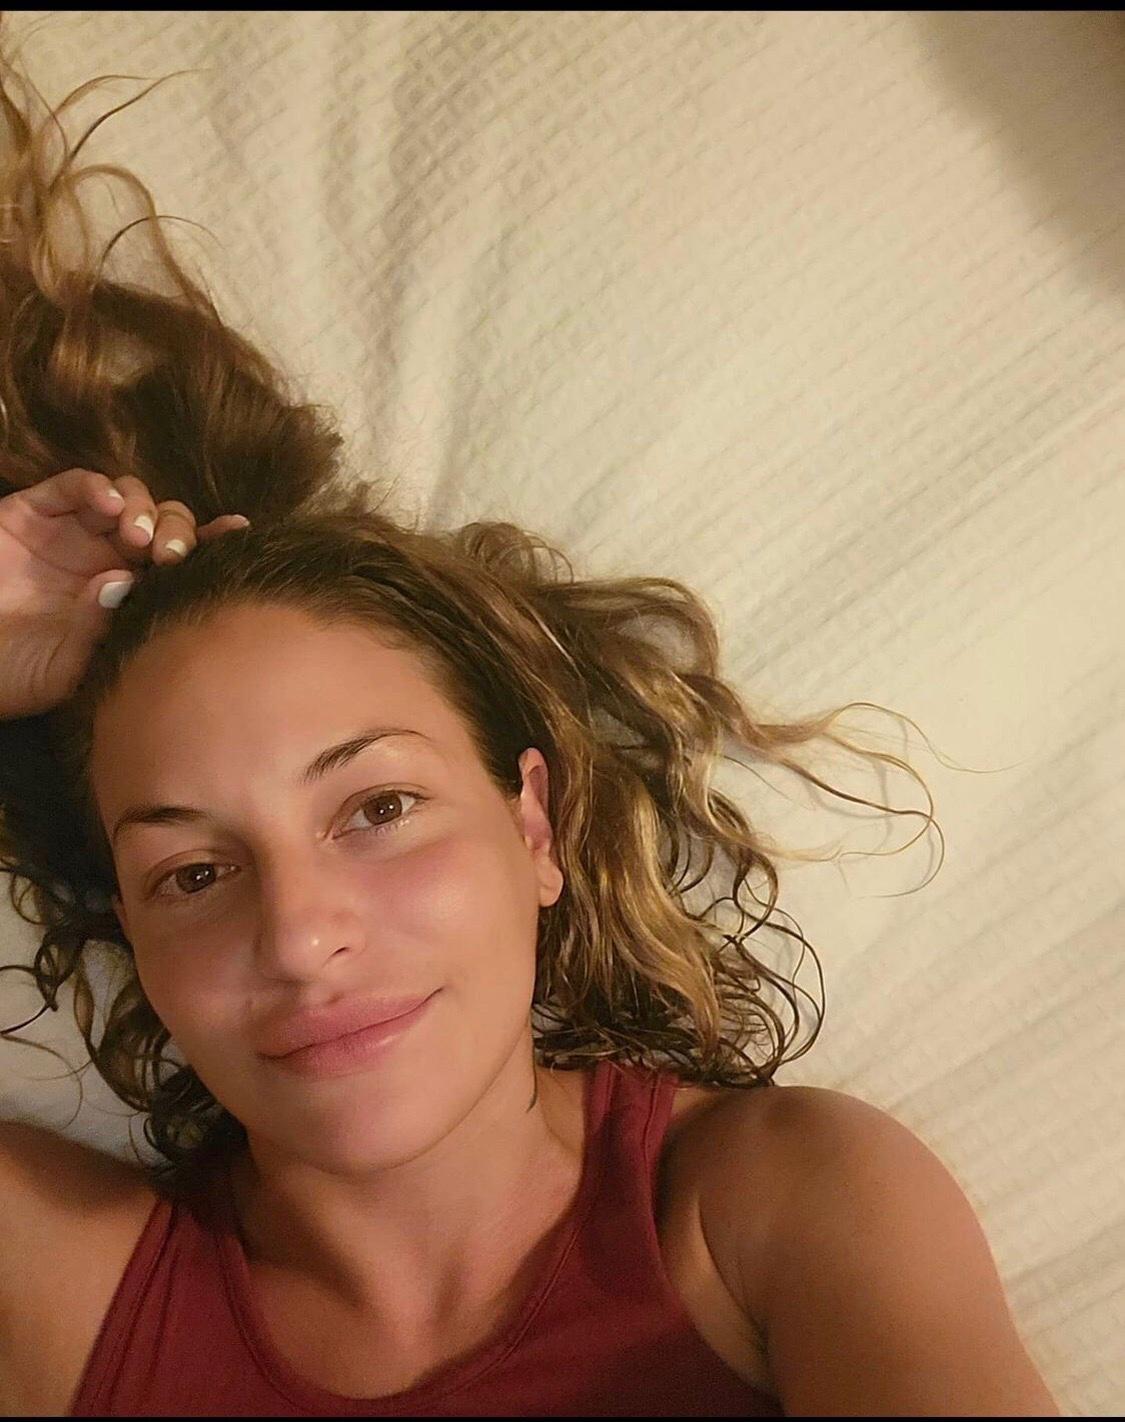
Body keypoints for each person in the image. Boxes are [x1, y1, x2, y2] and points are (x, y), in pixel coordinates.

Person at [0, 33, 1059, 1418]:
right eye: (193, 872)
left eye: (377, 808)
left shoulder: (778, 1210)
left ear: (533, 826)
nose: (300, 935)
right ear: (135, 936)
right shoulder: (63, 1287)